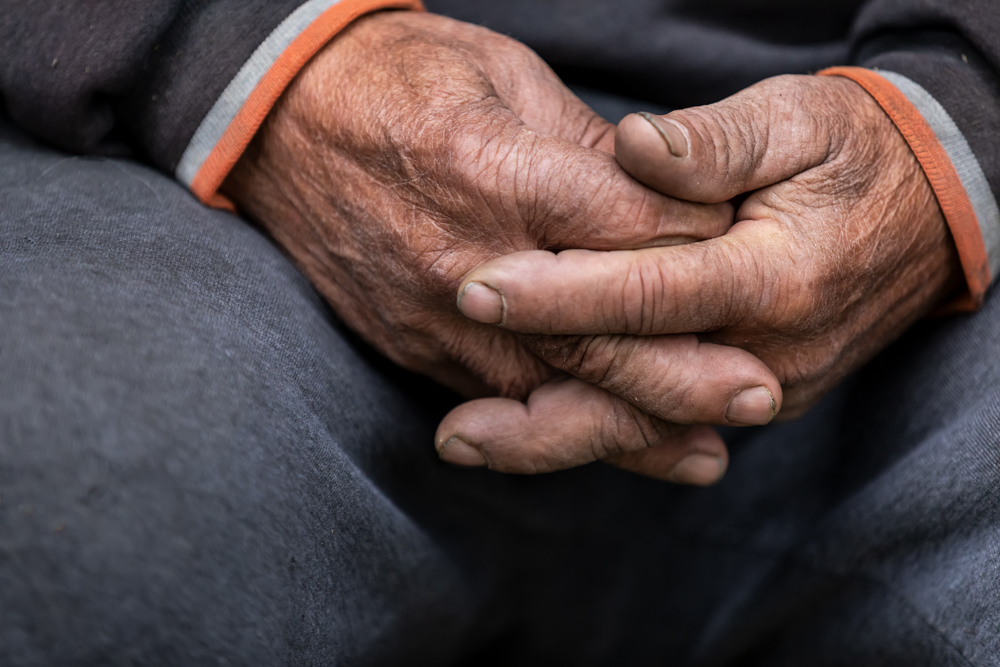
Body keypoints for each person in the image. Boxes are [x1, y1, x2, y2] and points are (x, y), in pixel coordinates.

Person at [1, 0, 998, 664]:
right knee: (60, 502)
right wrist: (233, 44)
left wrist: (957, 119)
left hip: (922, 237)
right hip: (171, 164)